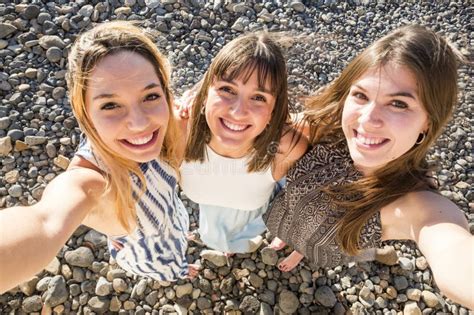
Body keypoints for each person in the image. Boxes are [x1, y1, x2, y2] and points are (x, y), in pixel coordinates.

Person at [264, 25, 473, 308]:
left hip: (323, 244)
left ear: (428, 121)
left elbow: (452, 247)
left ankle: (300, 252)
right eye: (361, 96)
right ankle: (289, 240)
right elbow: (252, 123)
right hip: (289, 213)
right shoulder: (325, 128)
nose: (367, 119)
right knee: (287, 228)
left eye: (398, 104)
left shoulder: (411, 202)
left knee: (307, 246)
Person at [0, 21, 198, 293]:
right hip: (147, 251)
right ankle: (176, 272)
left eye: (150, 96)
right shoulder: (91, 178)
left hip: (172, 216)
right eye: (110, 105)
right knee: (169, 269)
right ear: (85, 115)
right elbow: (44, 222)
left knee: (178, 232)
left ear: (165, 92)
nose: (139, 123)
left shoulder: (173, 119)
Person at [178, 32, 307, 255]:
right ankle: (225, 244)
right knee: (214, 231)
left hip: (255, 206)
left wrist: (294, 227)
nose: (238, 112)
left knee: (249, 229)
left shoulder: (286, 147)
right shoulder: (179, 131)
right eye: (227, 89)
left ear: (273, 110)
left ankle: (235, 245)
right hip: (211, 204)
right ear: (205, 94)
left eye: (258, 97)